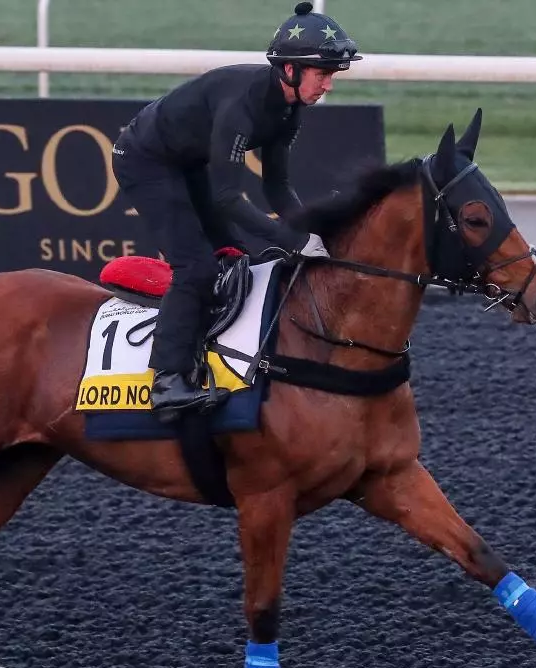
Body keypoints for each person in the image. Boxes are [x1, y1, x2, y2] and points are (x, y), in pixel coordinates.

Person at [111, 2, 362, 418]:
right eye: (322, 74)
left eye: (331, 75)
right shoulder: (242, 106)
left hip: (185, 162)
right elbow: (228, 197)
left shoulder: (290, 108)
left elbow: (276, 186)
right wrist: (290, 240)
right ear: (290, 70)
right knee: (197, 268)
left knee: (233, 259)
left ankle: (207, 353)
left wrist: (309, 232)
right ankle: (166, 382)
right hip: (145, 161)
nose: (328, 86)